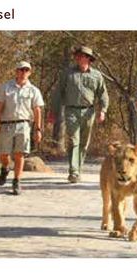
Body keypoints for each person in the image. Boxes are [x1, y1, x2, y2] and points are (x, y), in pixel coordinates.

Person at [50, 45, 109, 183]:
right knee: (73, 140)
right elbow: (58, 93)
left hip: (89, 111)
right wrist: (54, 111)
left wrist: (103, 111)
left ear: (89, 59)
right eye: (78, 55)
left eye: (83, 56)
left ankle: (78, 168)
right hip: (71, 110)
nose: (80, 58)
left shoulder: (96, 75)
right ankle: (73, 171)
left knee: (83, 143)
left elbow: (103, 94)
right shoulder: (67, 73)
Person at [0, 60, 44, 196]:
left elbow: (37, 110)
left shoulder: (34, 90)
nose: (23, 73)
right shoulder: (6, 87)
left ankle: (17, 181)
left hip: (24, 124)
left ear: (30, 73)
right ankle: (5, 167)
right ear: (16, 71)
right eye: (21, 70)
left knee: (20, 153)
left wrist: (38, 129)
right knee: (4, 154)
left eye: (26, 70)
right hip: (7, 124)